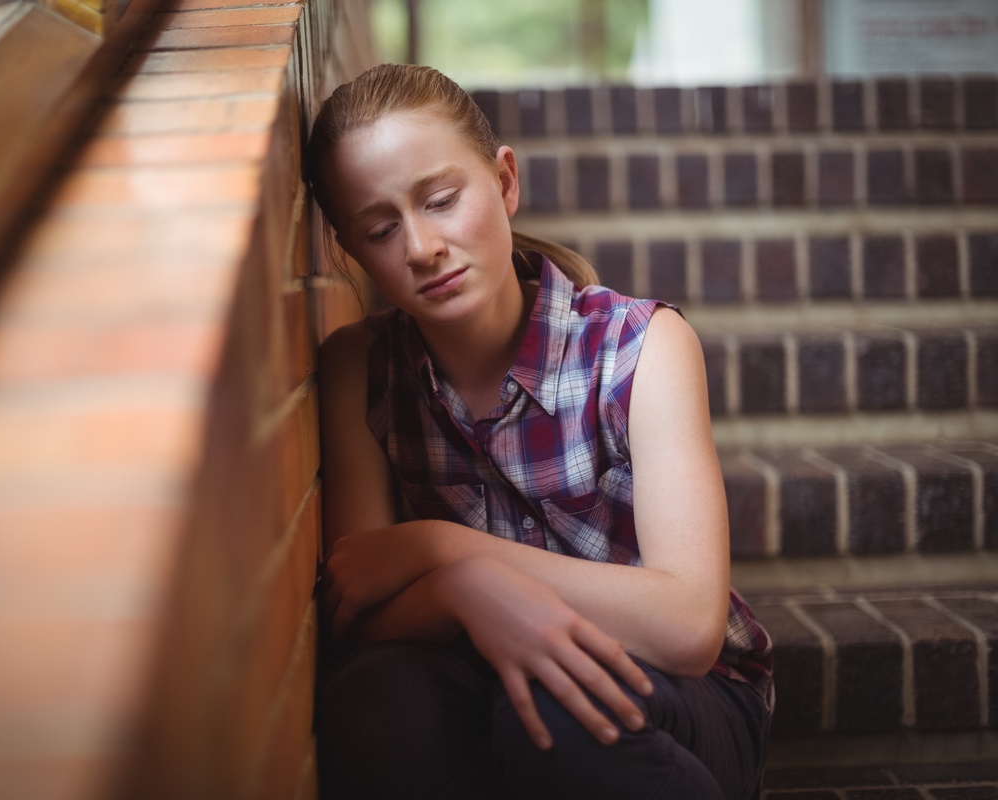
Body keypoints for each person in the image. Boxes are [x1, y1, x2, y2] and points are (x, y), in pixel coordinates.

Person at [306, 63, 773, 800]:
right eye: (381, 227)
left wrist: (447, 549)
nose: (422, 246)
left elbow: (687, 625)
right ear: (351, 250)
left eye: (440, 200)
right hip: (475, 679)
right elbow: (361, 618)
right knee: (372, 696)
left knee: (560, 712)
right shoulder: (358, 369)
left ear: (504, 182)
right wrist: (467, 592)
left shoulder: (640, 347)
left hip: (677, 694)